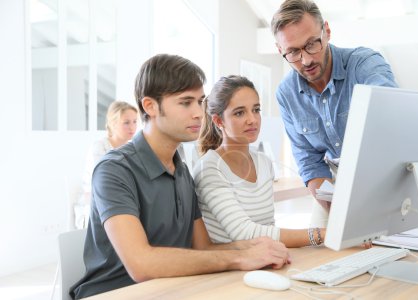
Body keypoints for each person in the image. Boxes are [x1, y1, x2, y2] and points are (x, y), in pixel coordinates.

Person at [70, 54, 290, 299]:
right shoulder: (114, 170)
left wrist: (257, 246)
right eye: (186, 103)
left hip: (171, 289)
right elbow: (141, 264)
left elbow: (203, 247)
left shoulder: (182, 171)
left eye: (200, 102)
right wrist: (240, 256)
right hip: (116, 293)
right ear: (150, 106)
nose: (198, 113)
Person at [271, 0, 398, 225]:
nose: (306, 60)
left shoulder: (364, 64)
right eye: (293, 52)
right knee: (322, 251)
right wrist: (339, 211)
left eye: (312, 44)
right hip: (333, 185)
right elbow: (309, 162)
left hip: (384, 175)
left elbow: (391, 115)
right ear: (280, 50)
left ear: (326, 32)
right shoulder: (286, 93)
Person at [193, 75, 325, 248]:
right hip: (229, 267)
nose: (252, 120)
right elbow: (244, 233)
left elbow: (268, 227)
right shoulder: (208, 168)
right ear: (218, 121)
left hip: (264, 259)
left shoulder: (263, 162)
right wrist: (320, 234)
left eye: (256, 110)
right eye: (240, 113)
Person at [75, 101, 138, 229]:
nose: (132, 127)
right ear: (113, 124)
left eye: (135, 121)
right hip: (95, 207)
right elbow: (102, 185)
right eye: (126, 122)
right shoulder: (99, 147)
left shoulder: (133, 148)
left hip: (121, 202)